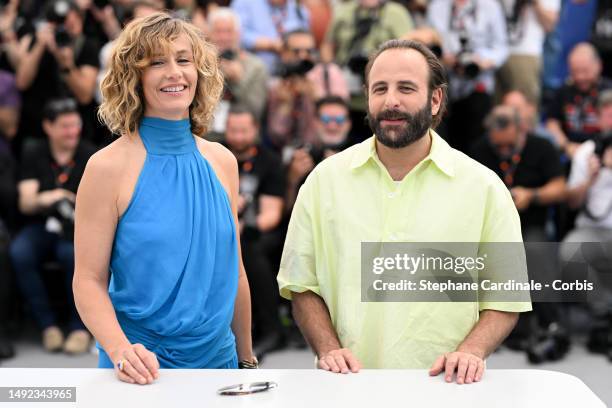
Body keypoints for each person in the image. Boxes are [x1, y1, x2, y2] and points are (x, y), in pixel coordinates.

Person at [277, 39, 531, 382]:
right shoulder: (324, 181)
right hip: (348, 387)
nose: (391, 100)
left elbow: (506, 296)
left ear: (436, 98)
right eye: (379, 88)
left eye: (406, 88)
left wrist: (471, 351)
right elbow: (301, 284)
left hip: (445, 389)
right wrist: (328, 348)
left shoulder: (484, 189)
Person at [72, 13, 255, 385]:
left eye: (183, 60)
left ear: (199, 70)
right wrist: (120, 350)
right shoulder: (105, 167)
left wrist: (247, 360)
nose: (174, 72)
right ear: (133, 78)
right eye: (157, 62)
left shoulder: (223, 161)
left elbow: (233, 272)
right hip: (139, 371)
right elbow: (88, 279)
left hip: (218, 365)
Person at [470, 105, 569, 362]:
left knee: (534, 251)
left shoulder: (541, 147)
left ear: (520, 129)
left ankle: (552, 325)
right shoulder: (481, 148)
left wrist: (532, 195)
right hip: (491, 224)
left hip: (530, 221)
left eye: (507, 146)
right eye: (498, 146)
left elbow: (561, 188)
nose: (502, 150)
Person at [10, 98, 96, 355]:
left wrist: (69, 200)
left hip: (76, 228)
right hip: (42, 224)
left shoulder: (89, 154)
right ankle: (48, 325)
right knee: (19, 252)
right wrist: (51, 197)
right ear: (48, 126)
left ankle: (80, 327)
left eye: (75, 125)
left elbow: (95, 206)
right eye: (65, 126)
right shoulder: (34, 151)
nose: (72, 132)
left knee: (73, 256)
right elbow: (26, 202)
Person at [224, 105, 286, 358]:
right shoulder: (215, 154)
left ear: (255, 130)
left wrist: (243, 226)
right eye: (233, 130)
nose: (238, 137)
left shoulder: (268, 161)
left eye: (243, 131)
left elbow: (272, 214)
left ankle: (270, 329)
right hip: (221, 227)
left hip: (257, 230)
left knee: (249, 251)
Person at [560, 89, 612, 360]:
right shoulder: (586, 153)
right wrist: (592, 177)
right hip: (592, 229)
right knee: (570, 252)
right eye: (608, 113)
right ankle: (604, 316)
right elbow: (571, 203)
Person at [427, 0, 509, 153]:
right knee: (442, 135)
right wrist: (444, 58)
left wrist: (481, 60)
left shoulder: (490, 6)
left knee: (476, 140)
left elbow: (501, 47)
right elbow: (429, 43)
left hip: (478, 83)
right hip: (445, 83)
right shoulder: (437, 7)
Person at [266, 29, 348, 152]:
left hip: (325, 153)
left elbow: (341, 123)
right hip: (292, 156)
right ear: (284, 53)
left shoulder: (329, 73)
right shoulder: (278, 85)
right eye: (296, 51)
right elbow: (276, 135)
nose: (303, 56)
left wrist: (317, 97)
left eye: (309, 51)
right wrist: (286, 105)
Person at [206, 7, 269, 139]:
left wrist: (238, 81)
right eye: (218, 31)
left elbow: (256, 112)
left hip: (243, 137)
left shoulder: (255, 66)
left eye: (228, 31)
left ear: (238, 34)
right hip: (208, 135)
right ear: (209, 34)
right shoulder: (201, 64)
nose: (223, 37)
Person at [285, 95, 352, 214]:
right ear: (315, 122)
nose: (332, 126)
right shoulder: (301, 156)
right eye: (326, 119)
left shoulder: (361, 154)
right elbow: (285, 213)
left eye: (339, 120)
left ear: (348, 123)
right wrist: (292, 179)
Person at [546, 43, 612, 158]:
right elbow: (552, 123)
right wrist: (567, 145)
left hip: (603, 151)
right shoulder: (563, 91)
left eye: (585, 71)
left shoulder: (608, 90)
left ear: (599, 66)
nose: (580, 77)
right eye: (575, 71)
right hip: (570, 150)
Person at [231, 0, 310, 74]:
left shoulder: (296, 6)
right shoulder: (244, 2)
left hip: (293, 71)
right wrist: (270, 44)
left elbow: (307, 37)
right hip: (255, 72)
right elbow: (234, 34)